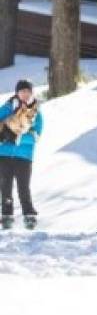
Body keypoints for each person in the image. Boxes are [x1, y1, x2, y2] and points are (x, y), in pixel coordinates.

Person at [0, 80, 43, 230]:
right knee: (5, 186)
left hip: (24, 156)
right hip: (4, 155)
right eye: (22, 91)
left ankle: (29, 216)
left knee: (23, 187)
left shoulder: (36, 113)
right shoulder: (6, 108)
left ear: (31, 93)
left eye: (28, 91)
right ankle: (6, 216)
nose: (25, 94)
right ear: (17, 93)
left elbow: (36, 135)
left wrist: (16, 135)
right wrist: (4, 134)